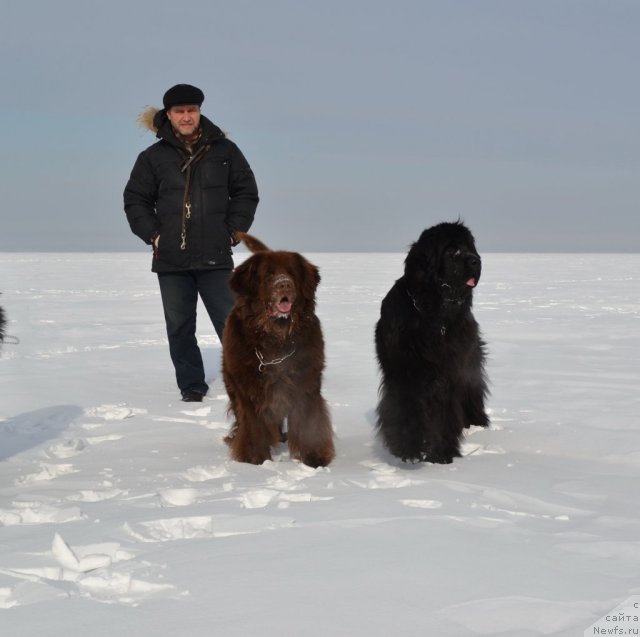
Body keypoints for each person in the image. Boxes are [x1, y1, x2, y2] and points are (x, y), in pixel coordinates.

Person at [124, 84, 259, 402]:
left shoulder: (225, 152)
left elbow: (246, 192)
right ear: (168, 116)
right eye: (180, 111)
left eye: (192, 110)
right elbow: (135, 201)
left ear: (199, 112)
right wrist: (155, 235)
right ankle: (192, 385)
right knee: (179, 327)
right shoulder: (152, 158)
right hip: (171, 259)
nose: (187, 116)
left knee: (234, 326)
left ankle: (248, 384)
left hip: (215, 255)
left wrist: (233, 231)